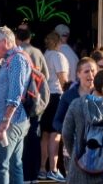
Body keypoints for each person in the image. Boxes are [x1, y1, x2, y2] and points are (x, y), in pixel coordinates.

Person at [0, 26, 32, 184]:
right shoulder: (11, 59)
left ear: (5, 42)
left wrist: (4, 122)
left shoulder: (17, 59)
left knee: (0, 165)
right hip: (14, 121)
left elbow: (15, 93)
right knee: (15, 165)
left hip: (10, 123)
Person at [15, 25, 49, 183]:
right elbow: (46, 76)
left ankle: (19, 174)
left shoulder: (15, 52)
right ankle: (33, 174)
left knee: (18, 139)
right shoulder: (37, 52)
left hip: (18, 101)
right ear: (29, 37)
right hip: (35, 101)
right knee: (34, 137)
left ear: (17, 38)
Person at [40, 32, 69, 182]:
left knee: (45, 133)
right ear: (58, 42)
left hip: (44, 96)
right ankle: (53, 169)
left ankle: (42, 169)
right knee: (55, 133)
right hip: (57, 96)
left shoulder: (44, 55)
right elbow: (63, 80)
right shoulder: (58, 57)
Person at [53, 58, 98, 134]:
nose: (90, 74)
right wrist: (68, 132)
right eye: (86, 71)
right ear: (78, 74)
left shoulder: (102, 93)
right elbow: (56, 121)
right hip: (75, 143)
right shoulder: (68, 95)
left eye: (93, 71)